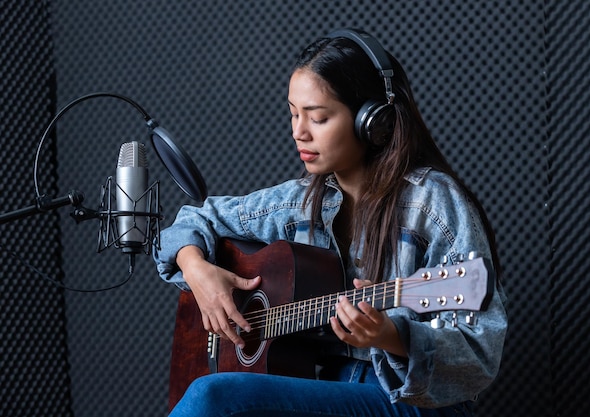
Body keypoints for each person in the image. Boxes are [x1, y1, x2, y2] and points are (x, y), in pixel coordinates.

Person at [153, 28, 507, 417]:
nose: (298, 132)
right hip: (329, 387)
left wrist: (393, 336)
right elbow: (192, 220)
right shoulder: (301, 201)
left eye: (318, 118)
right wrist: (197, 269)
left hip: (411, 401)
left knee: (212, 398)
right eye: (292, 113)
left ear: (373, 122)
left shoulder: (433, 203)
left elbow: (480, 352)